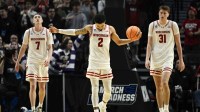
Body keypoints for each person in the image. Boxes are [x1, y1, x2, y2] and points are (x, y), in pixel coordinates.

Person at [49, 14, 142, 112]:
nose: (100, 27)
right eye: (98, 26)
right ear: (95, 24)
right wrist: (58, 30)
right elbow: (75, 32)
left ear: (105, 22)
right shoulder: (90, 28)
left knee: (108, 91)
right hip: (93, 63)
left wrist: (131, 40)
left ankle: (103, 104)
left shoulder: (110, 29)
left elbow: (118, 42)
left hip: (105, 63)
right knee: (95, 87)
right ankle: (96, 109)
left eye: (101, 26)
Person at [145, 5, 185, 112]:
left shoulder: (173, 25)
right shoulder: (152, 25)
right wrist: (147, 59)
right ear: (158, 13)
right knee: (158, 87)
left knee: (164, 82)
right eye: (161, 13)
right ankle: (161, 109)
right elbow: (149, 44)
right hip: (155, 58)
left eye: (164, 13)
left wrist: (181, 60)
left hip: (168, 57)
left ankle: (166, 108)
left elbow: (178, 44)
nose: (162, 15)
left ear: (168, 14)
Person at [15, 14, 54, 112]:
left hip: (43, 61)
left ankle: (40, 106)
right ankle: (32, 109)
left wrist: (48, 58)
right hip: (32, 61)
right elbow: (23, 47)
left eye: (39, 17)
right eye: (35, 17)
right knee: (32, 85)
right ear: (33, 21)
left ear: (42, 20)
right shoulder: (28, 32)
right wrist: (17, 62)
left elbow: (50, 48)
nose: (37, 18)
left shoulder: (47, 32)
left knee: (42, 86)